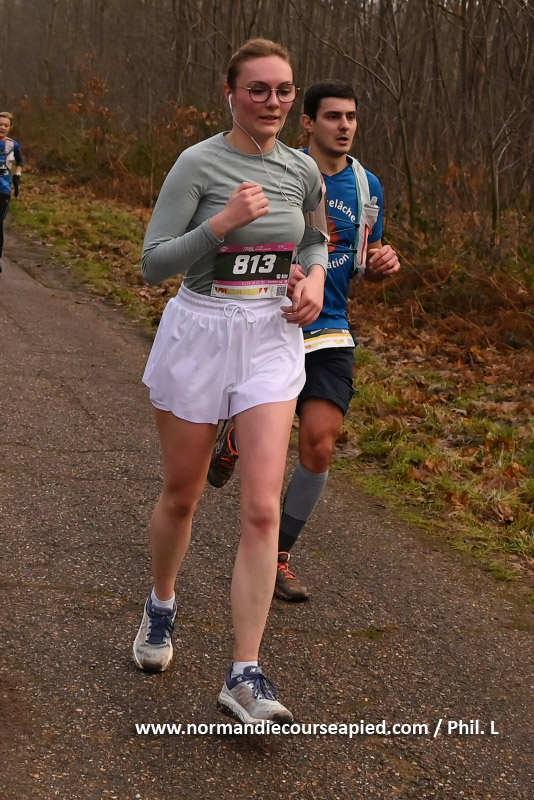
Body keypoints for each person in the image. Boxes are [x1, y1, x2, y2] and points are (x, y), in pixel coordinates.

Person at [133, 39, 328, 724]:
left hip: (270, 336)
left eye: (283, 90)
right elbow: (153, 264)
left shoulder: (302, 169)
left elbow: (314, 236)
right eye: (258, 90)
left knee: (262, 508)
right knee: (183, 494)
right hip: (202, 329)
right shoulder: (197, 164)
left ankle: (244, 673)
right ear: (231, 94)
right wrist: (221, 224)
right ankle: (161, 603)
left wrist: (313, 277)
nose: (272, 102)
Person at [207, 80, 400, 601]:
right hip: (275, 321)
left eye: (351, 117)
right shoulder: (281, 171)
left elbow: (365, 257)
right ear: (309, 123)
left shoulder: (367, 186)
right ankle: (236, 437)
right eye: (333, 116)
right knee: (267, 439)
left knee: (320, 442)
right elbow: (239, 244)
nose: (344, 126)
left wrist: (383, 262)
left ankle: (278, 556)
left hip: (331, 327)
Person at [0, 111, 23, 273]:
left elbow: (20, 162)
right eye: (0, 124)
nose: (2, 127)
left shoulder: (13, 145)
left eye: (5, 125)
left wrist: (17, 175)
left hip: (4, 189)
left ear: (10, 128)